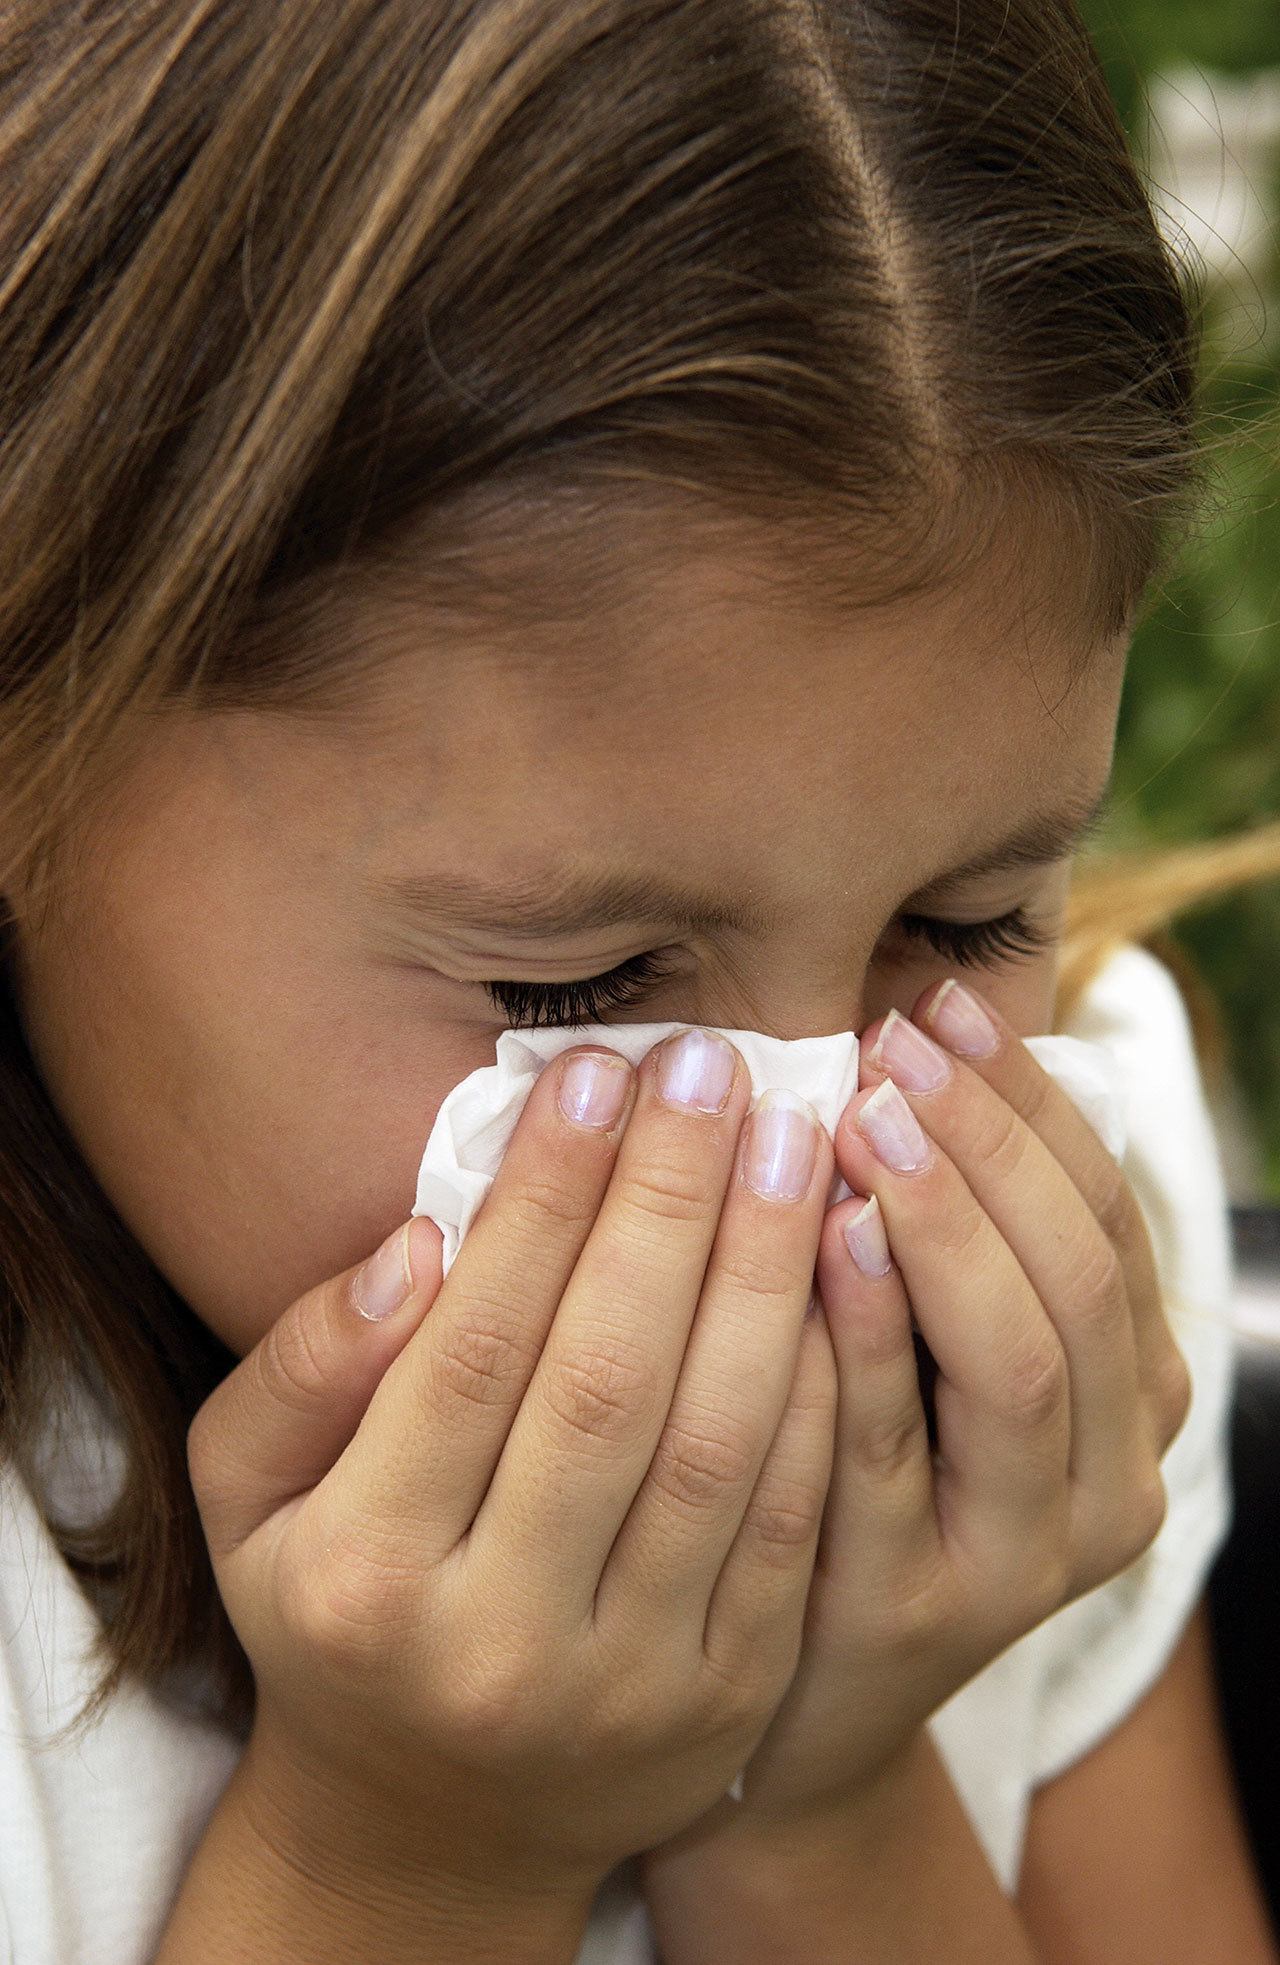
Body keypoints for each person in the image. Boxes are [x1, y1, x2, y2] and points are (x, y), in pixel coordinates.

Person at [1, 2, 1278, 1959]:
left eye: (964, 922)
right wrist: (410, 1851)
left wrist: (827, 1798)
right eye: (579, 986)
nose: (805, 1145)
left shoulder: (1052, 1338)